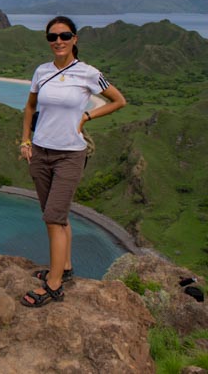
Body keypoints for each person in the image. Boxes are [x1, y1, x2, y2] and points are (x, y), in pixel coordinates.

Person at [19, 16, 126, 307]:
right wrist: (25, 140)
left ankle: (53, 285)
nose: (58, 41)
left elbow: (119, 100)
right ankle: (63, 268)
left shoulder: (89, 73)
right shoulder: (41, 71)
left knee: (53, 217)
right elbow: (30, 107)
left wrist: (88, 116)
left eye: (64, 36)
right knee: (56, 215)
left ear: (75, 39)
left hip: (69, 154)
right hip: (40, 152)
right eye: (52, 37)